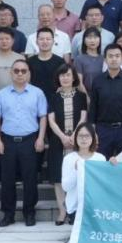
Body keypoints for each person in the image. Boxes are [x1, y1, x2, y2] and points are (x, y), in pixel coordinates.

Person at [0, 60, 48, 227]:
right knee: (7, 179)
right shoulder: (2, 94)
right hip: (7, 140)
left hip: (30, 140)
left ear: (28, 73)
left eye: (23, 71)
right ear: (11, 73)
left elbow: (43, 117)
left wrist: (40, 138)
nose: (20, 74)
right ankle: (8, 214)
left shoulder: (37, 93)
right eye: (16, 71)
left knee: (30, 179)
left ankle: (29, 213)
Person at [47, 64, 88, 225]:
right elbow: (51, 120)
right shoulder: (53, 97)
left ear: (74, 77)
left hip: (78, 141)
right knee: (58, 177)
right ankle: (62, 211)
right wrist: (63, 137)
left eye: (68, 75)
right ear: (58, 78)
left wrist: (74, 136)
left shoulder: (81, 96)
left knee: (77, 175)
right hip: (58, 140)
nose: (65, 78)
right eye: (62, 75)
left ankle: (74, 211)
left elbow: (83, 118)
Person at [89, 45, 122, 159]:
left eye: (117, 56)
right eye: (110, 56)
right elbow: (93, 107)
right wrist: (93, 131)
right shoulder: (98, 81)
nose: (114, 59)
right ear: (105, 59)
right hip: (103, 129)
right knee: (103, 161)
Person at [61, 122, 106, 223]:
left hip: (95, 206)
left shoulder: (100, 158)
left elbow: (102, 185)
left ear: (93, 138)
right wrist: (75, 170)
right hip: (75, 207)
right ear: (75, 138)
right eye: (80, 136)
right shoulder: (69, 159)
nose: (84, 139)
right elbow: (65, 187)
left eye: (87, 136)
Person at [26, 28, 67, 96]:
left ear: (53, 41)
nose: (45, 42)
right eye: (41, 39)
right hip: (34, 98)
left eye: (48, 39)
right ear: (36, 42)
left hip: (55, 98)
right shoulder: (29, 62)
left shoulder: (60, 62)